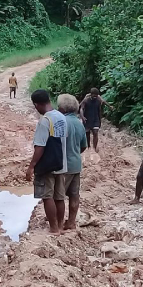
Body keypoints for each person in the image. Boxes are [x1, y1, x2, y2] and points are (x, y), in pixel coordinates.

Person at [25, 89, 68, 234]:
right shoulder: (62, 117)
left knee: (47, 196)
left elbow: (40, 147)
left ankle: (54, 228)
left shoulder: (45, 121)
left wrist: (31, 167)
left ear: (37, 105)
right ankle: (60, 226)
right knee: (59, 196)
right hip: (61, 163)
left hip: (47, 165)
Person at [57, 94, 87, 230]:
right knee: (74, 194)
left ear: (63, 109)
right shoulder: (79, 123)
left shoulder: (61, 122)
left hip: (63, 165)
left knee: (58, 196)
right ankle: (71, 222)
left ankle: (58, 222)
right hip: (76, 164)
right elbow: (83, 146)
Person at [79, 88, 108, 152]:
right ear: (91, 94)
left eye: (96, 95)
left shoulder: (98, 100)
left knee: (95, 132)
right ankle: (88, 146)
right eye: (94, 95)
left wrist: (110, 106)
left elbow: (102, 105)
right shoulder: (86, 100)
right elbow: (81, 108)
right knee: (87, 134)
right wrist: (82, 117)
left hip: (96, 119)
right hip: (87, 119)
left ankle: (95, 147)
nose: (95, 97)